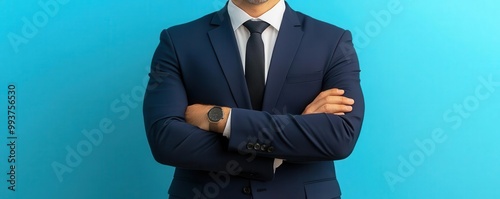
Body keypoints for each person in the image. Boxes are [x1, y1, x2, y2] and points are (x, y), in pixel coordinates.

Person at [143, 0, 364, 198]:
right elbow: (165, 139)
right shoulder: (177, 41)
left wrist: (224, 119)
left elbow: (339, 137)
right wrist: (287, 145)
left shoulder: (333, 41)